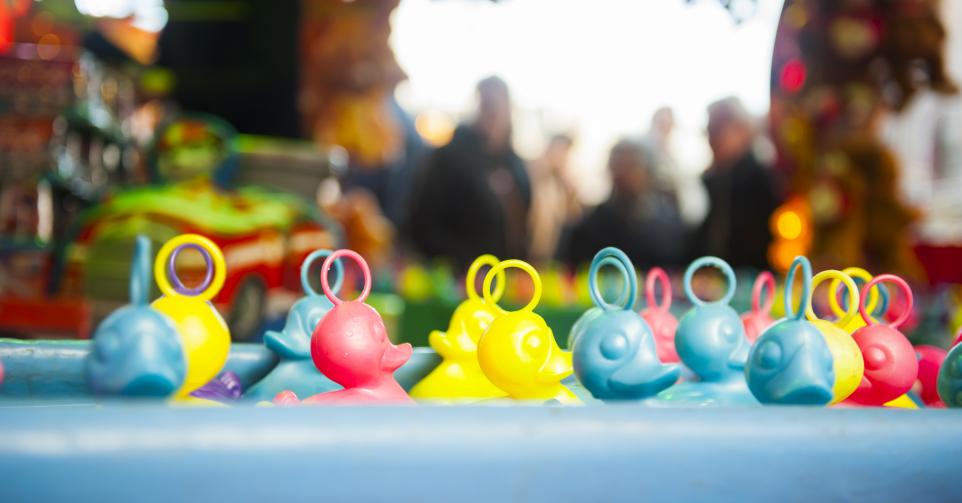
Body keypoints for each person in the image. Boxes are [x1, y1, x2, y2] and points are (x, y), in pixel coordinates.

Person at [407, 76, 531, 269]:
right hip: (459, 280)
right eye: (488, 106)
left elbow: (523, 223)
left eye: (500, 107)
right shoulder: (450, 157)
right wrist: (461, 264)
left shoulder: (514, 163)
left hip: (506, 278)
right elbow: (422, 223)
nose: (495, 115)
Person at [560, 139, 686, 268]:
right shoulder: (593, 223)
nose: (621, 173)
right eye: (616, 165)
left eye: (631, 165)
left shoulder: (669, 221)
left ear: (648, 171)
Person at [692, 97, 780, 269]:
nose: (711, 140)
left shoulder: (761, 178)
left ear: (742, 130)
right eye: (709, 131)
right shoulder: (716, 180)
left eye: (717, 130)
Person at [527, 134, 581, 263]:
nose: (563, 158)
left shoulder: (560, 184)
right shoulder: (534, 173)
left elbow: (573, 218)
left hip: (548, 255)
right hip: (527, 251)